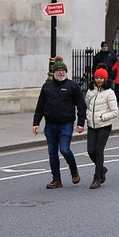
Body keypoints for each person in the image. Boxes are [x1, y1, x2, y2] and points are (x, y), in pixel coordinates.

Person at [32, 60, 87, 189]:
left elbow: (81, 106)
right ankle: (56, 179)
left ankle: (74, 170)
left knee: (64, 149)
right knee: (52, 153)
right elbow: (40, 105)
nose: (61, 72)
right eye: (58, 70)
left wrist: (80, 123)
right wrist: (36, 122)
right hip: (50, 125)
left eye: (63, 70)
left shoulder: (72, 86)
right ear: (54, 72)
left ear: (66, 72)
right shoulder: (47, 86)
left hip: (66, 124)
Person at [84, 68, 119, 189]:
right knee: (90, 151)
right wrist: (88, 117)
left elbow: (115, 111)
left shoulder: (109, 93)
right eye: (97, 78)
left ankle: (97, 177)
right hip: (92, 125)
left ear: (105, 79)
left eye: (101, 78)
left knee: (99, 151)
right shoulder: (90, 91)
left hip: (104, 125)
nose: (99, 80)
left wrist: (102, 117)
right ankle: (102, 168)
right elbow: (87, 105)